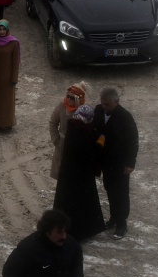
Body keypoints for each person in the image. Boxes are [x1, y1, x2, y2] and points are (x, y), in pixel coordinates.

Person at [52, 104, 106, 242]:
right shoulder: (81, 133)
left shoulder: (74, 128)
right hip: (80, 177)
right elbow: (89, 153)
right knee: (79, 206)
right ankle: (79, 232)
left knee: (67, 205)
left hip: (69, 177)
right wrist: (99, 143)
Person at [97, 87, 139, 240]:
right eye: (102, 103)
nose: (104, 107)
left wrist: (130, 163)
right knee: (109, 188)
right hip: (106, 162)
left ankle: (122, 223)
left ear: (117, 102)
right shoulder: (98, 111)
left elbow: (133, 142)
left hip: (120, 163)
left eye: (107, 104)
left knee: (121, 193)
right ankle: (114, 217)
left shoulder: (125, 117)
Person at [48, 84, 87, 180]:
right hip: (62, 144)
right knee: (61, 172)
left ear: (78, 99)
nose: (68, 99)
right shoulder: (62, 106)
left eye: (72, 98)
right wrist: (56, 140)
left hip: (77, 146)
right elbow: (53, 123)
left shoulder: (84, 110)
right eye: (68, 96)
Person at [0, 20, 20, 131]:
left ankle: (6, 122)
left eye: (3, 29)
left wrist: (14, 77)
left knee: (6, 101)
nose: (1, 32)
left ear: (7, 30)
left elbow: (16, 62)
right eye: (0, 29)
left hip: (7, 77)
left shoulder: (14, 43)